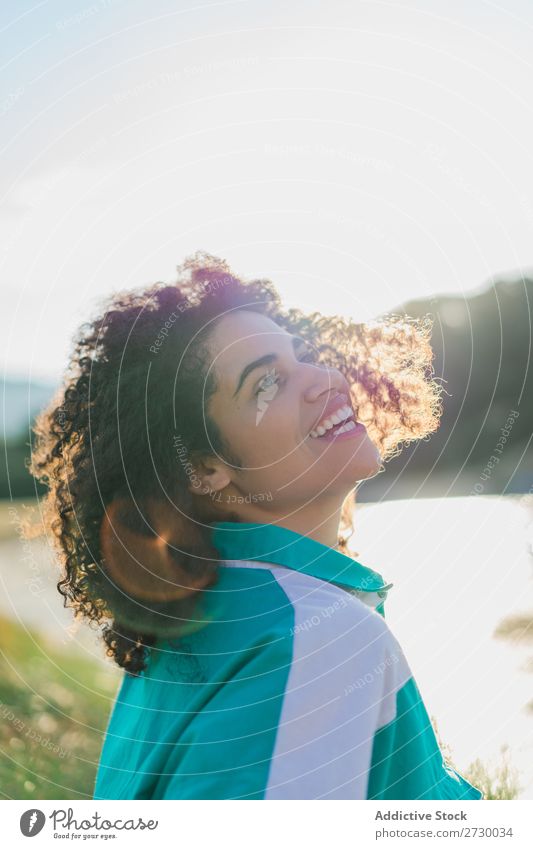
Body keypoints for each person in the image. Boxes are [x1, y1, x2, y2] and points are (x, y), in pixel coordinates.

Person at [30, 251, 482, 800]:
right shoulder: (318, 637)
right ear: (203, 468)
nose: (324, 378)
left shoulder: (212, 622)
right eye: (265, 384)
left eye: (302, 357)